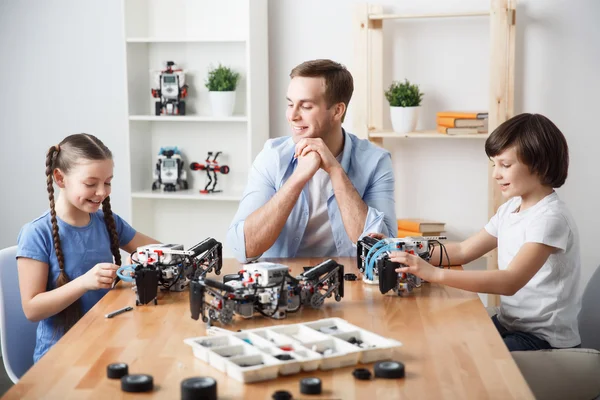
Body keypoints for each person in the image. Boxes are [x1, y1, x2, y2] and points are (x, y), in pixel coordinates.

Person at [372, 113, 581, 351]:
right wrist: (401, 249)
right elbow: (463, 250)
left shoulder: (550, 219)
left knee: (470, 357)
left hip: (542, 338)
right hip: (510, 324)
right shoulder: (511, 208)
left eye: (505, 165)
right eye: (495, 164)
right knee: (446, 337)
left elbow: (510, 281)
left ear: (539, 165)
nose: (496, 174)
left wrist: (434, 274)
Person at [227, 59, 397, 262]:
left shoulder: (375, 161)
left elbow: (382, 251)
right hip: (280, 285)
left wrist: (335, 171)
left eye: (305, 106)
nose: (292, 115)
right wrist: (299, 177)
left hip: (347, 283)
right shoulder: (272, 156)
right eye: (290, 104)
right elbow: (242, 249)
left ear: (337, 110)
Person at [17, 133, 159, 362]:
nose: (102, 192)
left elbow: (157, 249)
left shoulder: (108, 221)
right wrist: (84, 282)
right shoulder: (36, 234)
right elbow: (32, 309)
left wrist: (141, 258)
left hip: (106, 340)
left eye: (108, 182)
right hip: (60, 356)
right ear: (60, 178)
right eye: (91, 184)